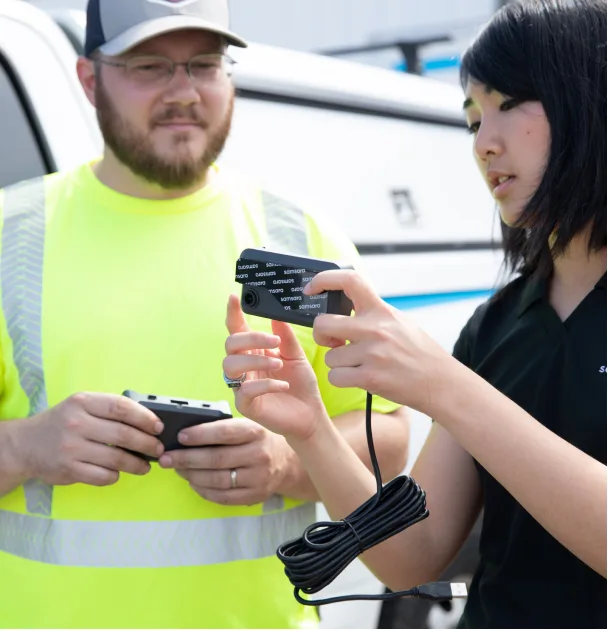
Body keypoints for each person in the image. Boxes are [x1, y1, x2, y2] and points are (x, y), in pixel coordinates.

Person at [0, 0, 409, 628]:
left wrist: (285, 460)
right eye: (150, 66)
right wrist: (27, 446)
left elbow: (387, 437)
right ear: (89, 79)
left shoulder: (297, 236)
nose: (183, 91)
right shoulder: (9, 236)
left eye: (204, 64)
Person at [223, 0, 607, 627]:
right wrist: (311, 429)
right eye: (472, 119)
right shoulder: (498, 323)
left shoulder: (470, 358)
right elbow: (413, 557)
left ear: (590, 99)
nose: (485, 143)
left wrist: (445, 386)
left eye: (509, 104)